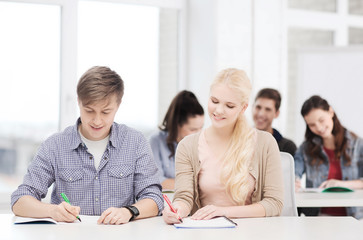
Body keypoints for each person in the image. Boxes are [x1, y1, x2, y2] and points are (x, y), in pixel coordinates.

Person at [11, 66, 163, 224]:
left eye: (105, 112)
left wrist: (129, 211)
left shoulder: (135, 142)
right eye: (89, 111)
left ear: (118, 106)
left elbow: (154, 198)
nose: (97, 121)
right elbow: (20, 200)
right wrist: (52, 211)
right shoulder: (54, 146)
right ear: (79, 102)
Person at [162, 68, 284, 224]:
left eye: (230, 106)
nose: (218, 110)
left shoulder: (265, 142)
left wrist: (223, 212)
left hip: (252, 233)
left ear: (243, 108)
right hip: (205, 233)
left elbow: (274, 203)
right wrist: (177, 208)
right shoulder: (188, 146)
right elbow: (184, 198)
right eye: (214, 101)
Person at [295, 95, 363, 218]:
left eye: (321, 120)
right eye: (312, 125)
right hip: (320, 218)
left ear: (330, 112)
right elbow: (294, 172)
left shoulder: (358, 145)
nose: (319, 128)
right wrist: (294, 181)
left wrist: (343, 184)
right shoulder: (305, 149)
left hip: (354, 217)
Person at [149, 90, 204, 190]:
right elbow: (156, 181)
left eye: (201, 128)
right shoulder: (156, 141)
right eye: (193, 129)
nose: (199, 134)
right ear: (177, 125)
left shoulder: (202, 144)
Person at [252, 88, 297, 156]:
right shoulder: (238, 140)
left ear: (276, 113)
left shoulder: (287, 147)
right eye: (258, 107)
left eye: (268, 109)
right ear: (252, 107)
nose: (261, 114)